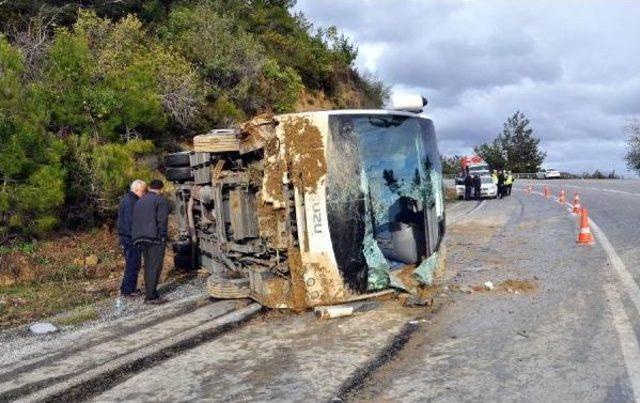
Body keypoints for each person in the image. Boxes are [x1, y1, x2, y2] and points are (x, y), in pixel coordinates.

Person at [132, 179, 170, 304]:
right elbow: (162, 221)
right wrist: (163, 236)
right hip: (155, 238)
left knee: (148, 266)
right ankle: (151, 296)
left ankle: (150, 292)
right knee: (155, 267)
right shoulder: (160, 200)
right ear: (161, 189)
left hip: (140, 238)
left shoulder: (140, 200)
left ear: (150, 187)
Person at [117, 179, 147, 297]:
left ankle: (128, 288)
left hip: (127, 236)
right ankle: (128, 290)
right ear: (136, 190)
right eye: (143, 191)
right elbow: (131, 222)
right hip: (130, 238)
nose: (144, 194)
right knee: (133, 264)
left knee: (132, 264)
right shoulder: (132, 201)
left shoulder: (128, 199)